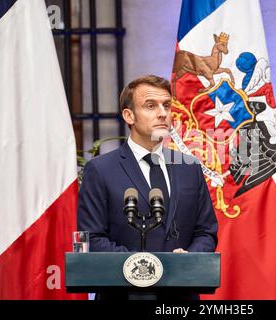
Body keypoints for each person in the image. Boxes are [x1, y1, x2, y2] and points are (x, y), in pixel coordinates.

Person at [77, 75, 218, 299]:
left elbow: (206, 232)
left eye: (167, 105)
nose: (163, 113)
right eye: (150, 106)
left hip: (180, 300)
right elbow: (92, 238)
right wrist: (150, 266)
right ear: (128, 115)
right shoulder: (100, 170)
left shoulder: (190, 167)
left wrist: (188, 257)